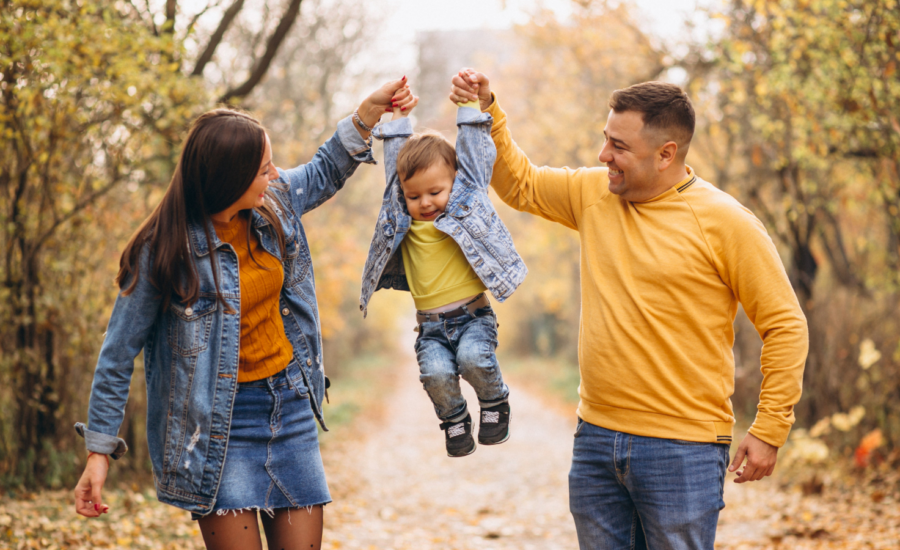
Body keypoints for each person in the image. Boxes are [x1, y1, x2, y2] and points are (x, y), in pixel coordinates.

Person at [450, 69, 809, 549]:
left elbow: (785, 324)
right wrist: (488, 108)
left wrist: (769, 429)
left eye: (619, 147)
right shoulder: (594, 193)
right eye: (605, 140)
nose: (604, 156)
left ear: (666, 154)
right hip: (596, 438)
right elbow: (522, 186)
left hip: (683, 448)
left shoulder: (726, 223)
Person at [72, 77, 416, 550]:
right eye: (263, 169)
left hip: (289, 406)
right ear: (227, 180)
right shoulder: (164, 250)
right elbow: (116, 355)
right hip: (217, 426)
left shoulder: (272, 205)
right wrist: (99, 453)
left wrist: (366, 116)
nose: (275, 176)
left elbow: (322, 171)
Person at [358, 91, 527, 457]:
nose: (425, 202)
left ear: (455, 183)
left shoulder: (466, 202)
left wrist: (469, 107)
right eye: (414, 196)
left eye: (435, 191)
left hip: (473, 318)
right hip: (430, 327)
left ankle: (495, 402)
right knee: (434, 375)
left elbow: (475, 156)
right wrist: (399, 118)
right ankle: (454, 419)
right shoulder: (401, 214)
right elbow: (396, 166)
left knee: (473, 359)